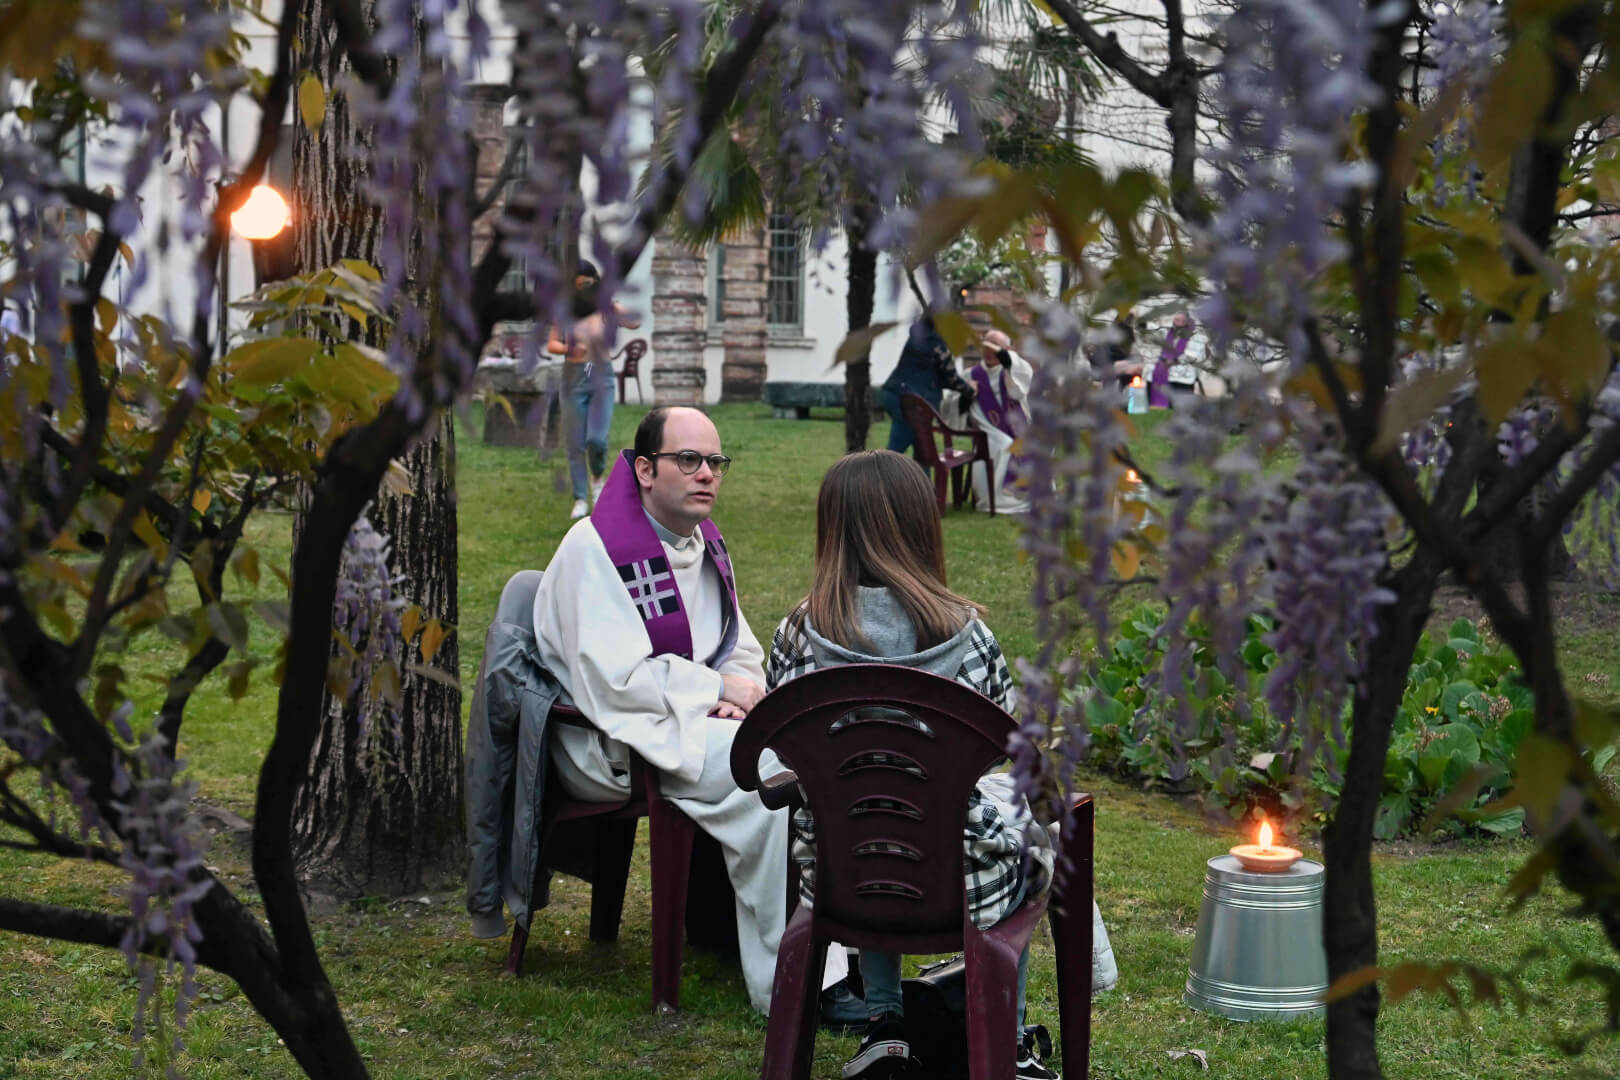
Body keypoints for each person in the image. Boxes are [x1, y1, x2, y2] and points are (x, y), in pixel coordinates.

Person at [531, 405, 856, 1018]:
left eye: (714, 461)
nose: (706, 473)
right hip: (609, 738)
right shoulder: (595, 549)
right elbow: (616, 680)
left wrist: (738, 694)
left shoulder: (702, 543)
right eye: (688, 460)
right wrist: (715, 692)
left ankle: (768, 932)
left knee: (811, 748)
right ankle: (799, 985)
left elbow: (738, 645)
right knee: (774, 774)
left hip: (680, 721)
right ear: (645, 470)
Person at [765, 450, 1062, 1080]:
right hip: (960, 882)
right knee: (1035, 850)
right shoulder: (970, 637)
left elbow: (786, 744)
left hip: (843, 877)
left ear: (831, 529)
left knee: (871, 818)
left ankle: (885, 1024)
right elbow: (1001, 746)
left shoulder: (796, 633)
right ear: (922, 528)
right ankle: (1007, 1043)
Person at [549, 261, 642, 521]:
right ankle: (580, 498)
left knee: (597, 440)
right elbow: (552, 343)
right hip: (574, 377)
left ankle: (597, 479)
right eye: (578, 286)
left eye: (587, 285)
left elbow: (635, 322)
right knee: (575, 442)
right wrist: (568, 348)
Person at [880, 314, 975, 455]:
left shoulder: (920, 337)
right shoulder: (937, 344)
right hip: (912, 402)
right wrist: (971, 390)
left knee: (923, 452)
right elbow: (951, 378)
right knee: (895, 451)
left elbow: (939, 377)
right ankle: (881, 469)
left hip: (896, 393)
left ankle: (921, 470)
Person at [963, 329, 1034, 514]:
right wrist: (966, 394)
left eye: (995, 348)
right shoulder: (971, 375)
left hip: (1016, 426)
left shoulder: (1012, 370)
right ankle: (998, 499)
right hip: (987, 431)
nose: (990, 352)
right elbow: (952, 405)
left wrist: (1008, 361)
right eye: (986, 347)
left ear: (1005, 350)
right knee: (1006, 445)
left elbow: (1019, 389)